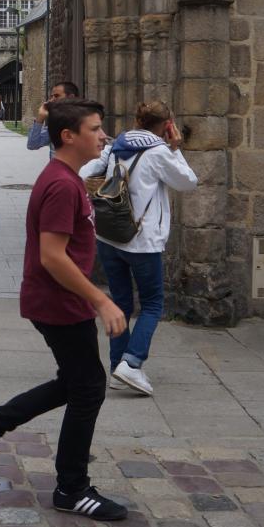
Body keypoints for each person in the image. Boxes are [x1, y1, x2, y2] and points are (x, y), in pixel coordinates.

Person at [0, 99, 128, 522]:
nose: (103, 135)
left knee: (77, 383)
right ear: (68, 136)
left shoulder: (67, 179)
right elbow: (53, 256)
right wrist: (101, 299)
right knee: (88, 387)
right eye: (94, 128)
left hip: (58, 299)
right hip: (57, 301)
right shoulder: (61, 184)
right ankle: (71, 487)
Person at [80, 99, 197, 396]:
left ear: (138, 119)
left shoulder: (117, 144)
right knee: (153, 304)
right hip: (142, 242)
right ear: (167, 125)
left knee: (120, 303)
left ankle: (117, 365)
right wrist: (176, 148)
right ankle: (131, 364)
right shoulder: (159, 152)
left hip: (109, 237)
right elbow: (188, 182)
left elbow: (85, 173)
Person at [27, 81, 80, 151]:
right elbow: (32, 145)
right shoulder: (56, 123)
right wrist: (40, 118)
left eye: (56, 96)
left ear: (71, 97)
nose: (52, 100)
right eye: (52, 96)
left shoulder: (85, 121)